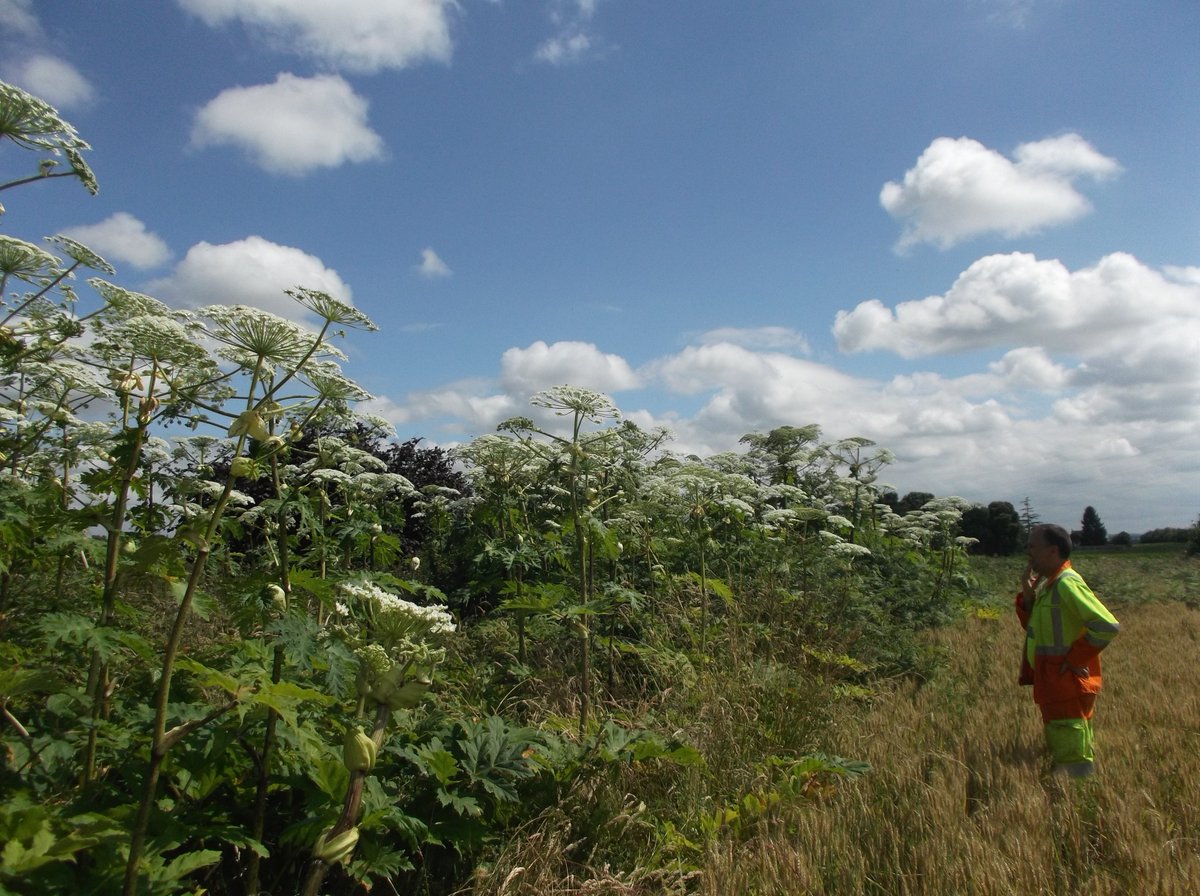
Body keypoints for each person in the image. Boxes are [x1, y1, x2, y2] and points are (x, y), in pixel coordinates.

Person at [1015, 523, 1120, 777]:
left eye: (1033, 547)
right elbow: (1037, 629)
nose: (1028, 552)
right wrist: (1028, 596)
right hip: (1054, 681)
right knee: (1069, 738)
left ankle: (1075, 800)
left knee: (1071, 743)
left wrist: (1074, 660)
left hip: (1066, 682)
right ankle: (1075, 792)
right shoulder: (1050, 586)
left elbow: (1106, 626)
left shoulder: (1065, 584)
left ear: (1052, 551)